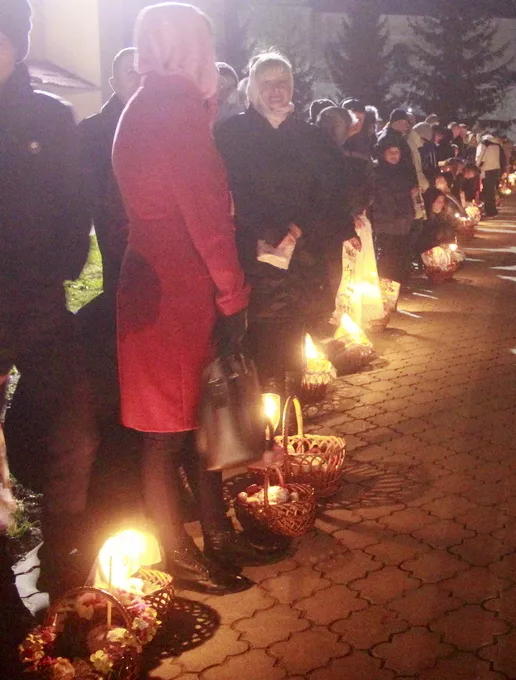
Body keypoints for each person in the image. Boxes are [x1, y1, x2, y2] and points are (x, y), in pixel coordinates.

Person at [113, 2, 255, 593]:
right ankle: (179, 550)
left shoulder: (143, 106)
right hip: (179, 289)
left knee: (178, 423)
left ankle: (211, 534)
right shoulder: (177, 113)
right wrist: (233, 295)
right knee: (172, 427)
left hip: (150, 281)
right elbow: (208, 223)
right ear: (191, 51)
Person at [0, 0, 99, 602]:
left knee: (75, 429)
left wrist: (59, 265)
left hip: (37, 298)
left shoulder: (49, 118)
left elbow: (74, 201)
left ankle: (64, 560)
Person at [216, 50, 349, 393]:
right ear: (252, 88)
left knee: (292, 353)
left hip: (302, 261)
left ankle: (289, 423)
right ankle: (262, 428)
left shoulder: (310, 137)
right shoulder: (231, 134)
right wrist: (260, 233)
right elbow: (227, 192)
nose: (276, 91)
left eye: (283, 83)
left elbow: (330, 191)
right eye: (267, 83)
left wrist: (299, 228)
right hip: (253, 261)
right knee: (257, 353)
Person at [79, 48, 140, 294]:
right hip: (115, 228)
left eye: (143, 72)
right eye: (130, 73)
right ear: (114, 83)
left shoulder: (162, 125)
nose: (139, 79)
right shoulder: (94, 130)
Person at [371, 139, 416, 285]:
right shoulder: (377, 172)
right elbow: (379, 196)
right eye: (390, 152)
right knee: (386, 255)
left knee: (401, 253)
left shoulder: (403, 170)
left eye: (396, 152)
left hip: (403, 221)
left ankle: (400, 283)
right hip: (386, 221)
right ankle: (387, 286)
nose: (393, 155)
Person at [477, 133, 503, 217]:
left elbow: (480, 158)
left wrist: (476, 166)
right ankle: (493, 209)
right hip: (495, 170)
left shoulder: (483, 146)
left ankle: (489, 210)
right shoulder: (497, 147)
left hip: (486, 170)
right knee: (492, 190)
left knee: (487, 191)